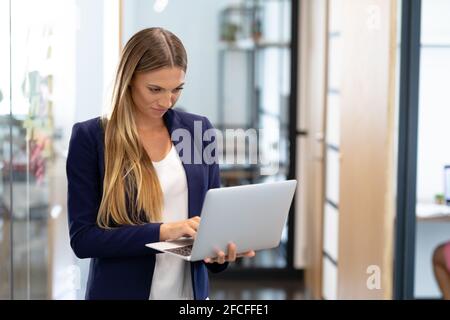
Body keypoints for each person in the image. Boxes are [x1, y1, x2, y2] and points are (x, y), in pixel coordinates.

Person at [66, 27, 255, 300]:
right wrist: (164, 231)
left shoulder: (198, 132)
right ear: (129, 79)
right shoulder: (91, 138)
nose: (167, 101)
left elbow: (209, 221)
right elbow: (84, 240)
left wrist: (219, 253)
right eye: (155, 89)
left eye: (177, 89)